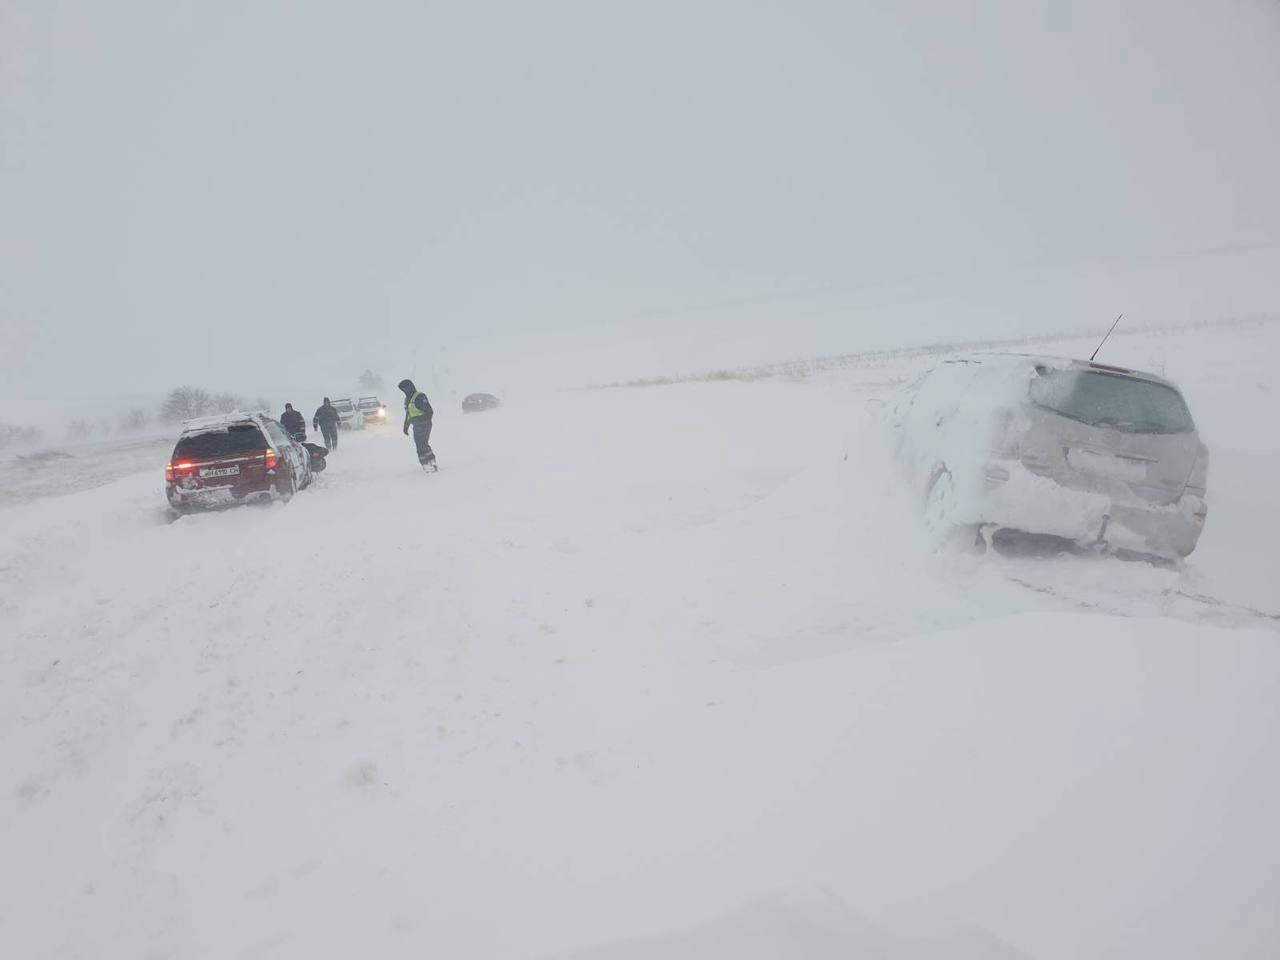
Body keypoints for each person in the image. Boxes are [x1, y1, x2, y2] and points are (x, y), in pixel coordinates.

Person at [398, 378, 436, 471]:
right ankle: (427, 464)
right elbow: (408, 414)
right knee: (420, 445)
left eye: (404, 389)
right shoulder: (407, 400)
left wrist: (420, 420)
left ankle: (430, 465)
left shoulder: (420, 396)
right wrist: (406, 427)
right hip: (416, 425)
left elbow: (429, 412)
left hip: (424, 424)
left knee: (422, 445)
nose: (404, 391)